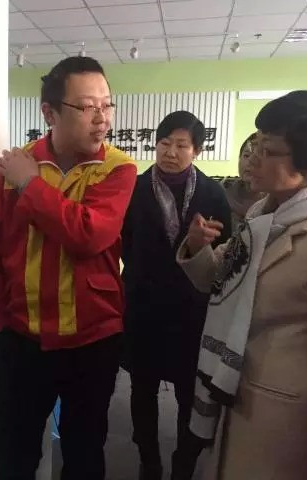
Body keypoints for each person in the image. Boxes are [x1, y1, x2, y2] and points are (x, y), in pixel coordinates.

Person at [177, 90, 307, 480]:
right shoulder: (264, 214)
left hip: (287, 419)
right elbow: (218, 280)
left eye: (269, 150)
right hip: (234, 389)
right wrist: (196, 247)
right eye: (255, 144)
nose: (253, 158)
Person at [0, 56, 137, 480]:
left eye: (107, 104)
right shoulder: (12, 168)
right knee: (12, 459)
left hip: (93, 341)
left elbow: (88, 235)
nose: (102, 118)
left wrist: (31, 184)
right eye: (87, 107)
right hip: (23, 339)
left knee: (84, 455)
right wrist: (3, 323)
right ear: (49, 113)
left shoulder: (118, 169)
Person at [121, 111, 232, 480]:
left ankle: (184, 462)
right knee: (142, 389)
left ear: (196, 150)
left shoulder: (212, 193)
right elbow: (124, 243)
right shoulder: (134, 188)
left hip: (191, 310)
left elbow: (225, 251)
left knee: (189, 390)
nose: (170, 152)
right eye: (164, 143)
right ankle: (148, 459)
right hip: (144, 306)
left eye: (181, 145)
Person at [223, 133, 265, 231]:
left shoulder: (276, 202)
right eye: (246, 155)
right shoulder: (222, 192)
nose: (250, 162)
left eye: (258, 157)